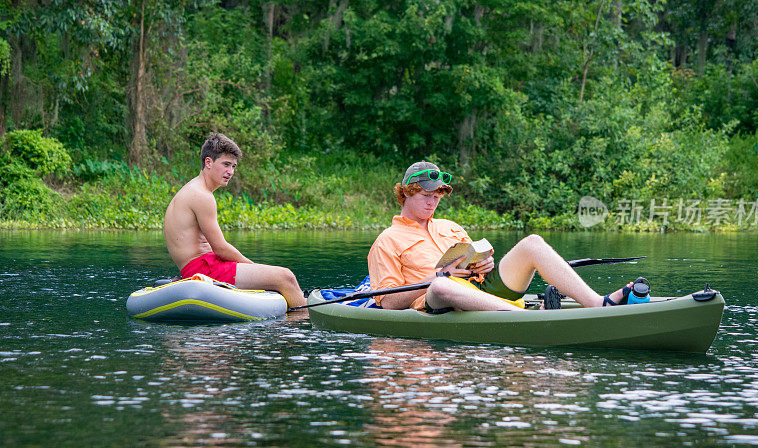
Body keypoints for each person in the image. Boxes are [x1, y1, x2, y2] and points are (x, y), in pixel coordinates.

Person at [367, 161, 636, 313]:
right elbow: (389, 302)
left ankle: (599, 303)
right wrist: (437, 277)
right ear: (405, 193)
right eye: (427, 196)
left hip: (482, 292)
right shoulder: (386, 241)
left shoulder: (450, 226)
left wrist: (485, 265)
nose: (433, 203)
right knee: (441, 286)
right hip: (438, 302)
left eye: (437, 198)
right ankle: (528, 319)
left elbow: (476, 265)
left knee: (532, 243)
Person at [163, 132, 306, 307]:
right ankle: (302, 322)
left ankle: (295, 309)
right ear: (208, 162)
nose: (230, 172)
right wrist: (252, 266)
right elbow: (221, 248)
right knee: (286, 277)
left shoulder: (192, 189)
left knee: (276, 280)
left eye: (233, 166)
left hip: (200, 266)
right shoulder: (201, 195)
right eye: (226, 164)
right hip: (203, 269)